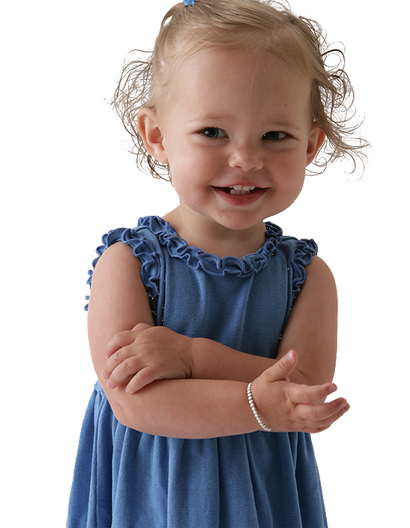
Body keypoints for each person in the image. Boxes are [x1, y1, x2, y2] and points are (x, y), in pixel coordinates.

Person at [67, 0, 366, 526]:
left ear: (311, 144)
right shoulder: (128, 263)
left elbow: (303, 389)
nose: (245, 159)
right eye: (212, 132)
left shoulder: (305, 276)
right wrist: (260, 401)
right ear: (157, 136)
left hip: (263, 492)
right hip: (154, 495)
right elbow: (134, 403)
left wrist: (192, 356)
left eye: (275, 135)